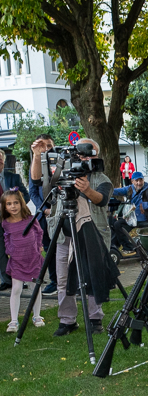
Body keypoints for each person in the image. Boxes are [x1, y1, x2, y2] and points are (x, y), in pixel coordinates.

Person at [47, 137, 115, 337]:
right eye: (80, 153)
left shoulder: (102, 178)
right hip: (63, 235)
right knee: (62, 278)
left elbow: (102, 200)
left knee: (92, 276)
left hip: (91, 234)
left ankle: (95, 318)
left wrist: (86, 190)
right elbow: (41, 185)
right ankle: (67, 320)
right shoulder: (62, 174)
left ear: (96, 155)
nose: (83, 157)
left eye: (88, 153)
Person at [1, 188, 44, 332]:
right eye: (9, 204)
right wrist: (9, 250)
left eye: (16, 203)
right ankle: (13, 321)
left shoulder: (29, 218)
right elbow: (6, 236)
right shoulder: (6, 222)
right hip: (17, 260)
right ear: (4, 206)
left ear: (21, 203)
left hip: (33, 259)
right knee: (16, 289)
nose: (13, 206)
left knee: (35, 288)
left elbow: (39, 232)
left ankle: (37, 316)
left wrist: (38, 247)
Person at [28, 134, 58, 295]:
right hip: (43, 217)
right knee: (49, 249)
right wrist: (44, 209)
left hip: (61, 213)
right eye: (43, 146)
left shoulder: (60, 163)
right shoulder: (35, 164)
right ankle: (54, 280)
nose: (46, 149)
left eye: (49, 146)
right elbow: (33, 190)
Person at [0, 149, 29, 291]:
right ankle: (6, 280)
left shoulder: (13, 177)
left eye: (0, 159)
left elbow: (26, 196)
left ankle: (21, 279)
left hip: (13, 221)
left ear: (4, 161)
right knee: (1, 252)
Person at [111, 171, 148, 251]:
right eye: (136, 181)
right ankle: (114, 247)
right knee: (114, 223)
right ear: (132, 181)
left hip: (143, 219)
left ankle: (129, 248)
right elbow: (118, 191)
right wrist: (106, 190)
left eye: (141, 180)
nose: (139, 183)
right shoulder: (130, 189)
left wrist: (144, 205)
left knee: (118, 225)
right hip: (132, 218)